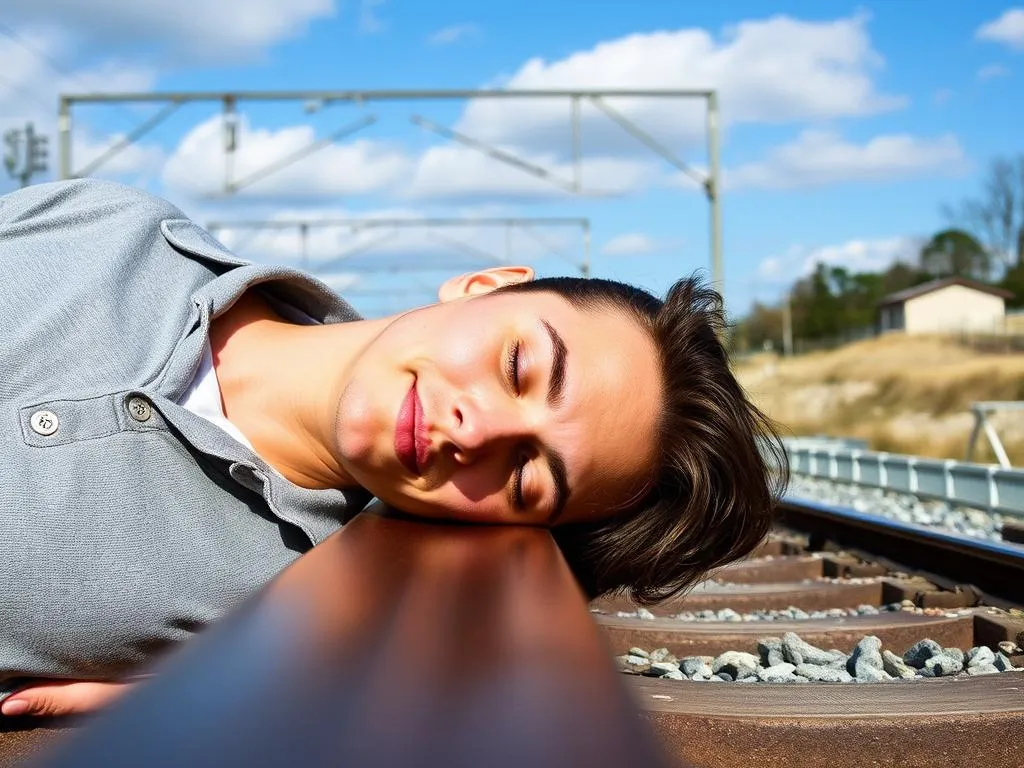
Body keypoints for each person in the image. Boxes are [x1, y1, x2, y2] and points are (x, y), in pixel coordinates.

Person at [0, 179, 785, 717]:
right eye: (519, 366)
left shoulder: (283, 622)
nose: (477, 430)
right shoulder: (114, 229)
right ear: (485, 284)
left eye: (524, 474)